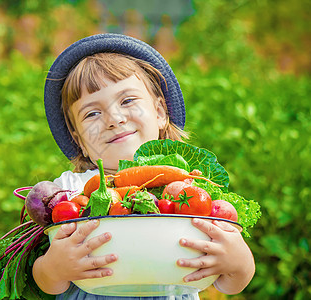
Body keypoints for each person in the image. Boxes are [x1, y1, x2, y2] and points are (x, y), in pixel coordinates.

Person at [33, 33, 255, 299]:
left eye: (127, 101)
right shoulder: (68, 192)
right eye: (92, 113)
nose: (114, 119)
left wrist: (238, 263)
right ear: (78, 140)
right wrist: (53, 269)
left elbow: (228, 283)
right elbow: (47, 282)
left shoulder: (191, 186)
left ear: (160, 113)